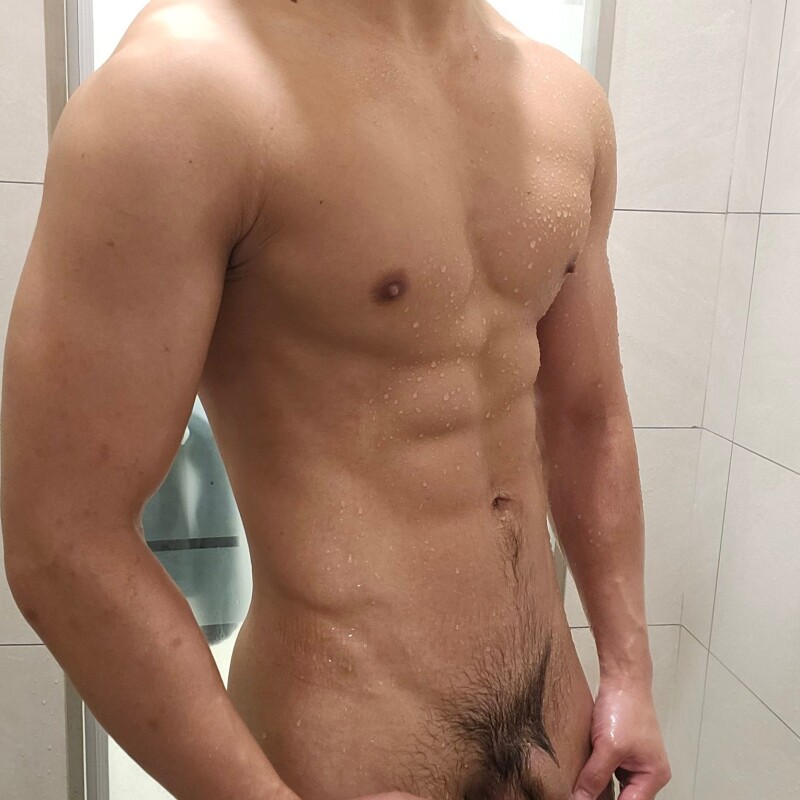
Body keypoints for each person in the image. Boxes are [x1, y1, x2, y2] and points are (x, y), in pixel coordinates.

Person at [0, 1, 671, 799]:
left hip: (567, 753)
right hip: (340, 767)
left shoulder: (563, 102)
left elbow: (589, 419)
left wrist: (629, 670)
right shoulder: (182, 89)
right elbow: (62, 537)